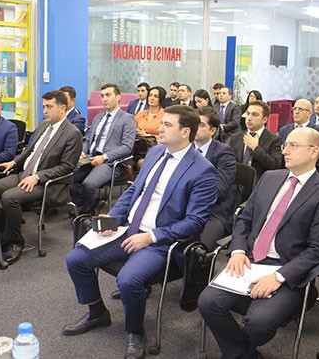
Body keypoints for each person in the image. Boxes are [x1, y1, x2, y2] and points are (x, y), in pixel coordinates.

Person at [63, 105, 218, 359]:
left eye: (167, 125)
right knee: (76, 259)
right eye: (162, 123)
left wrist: (151, 237)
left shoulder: (203, 170)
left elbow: (195, 222)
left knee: (128, 280)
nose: (160, 128)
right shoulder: (156, 152)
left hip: (160, 241)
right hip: (128, 229)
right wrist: (113, 217)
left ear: (185, 132)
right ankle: (97, 312)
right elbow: (135, 190)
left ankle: (135, 332)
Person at [199, 127, 319, 359]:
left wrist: (278, 277)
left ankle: (238, 353)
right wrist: (237, 250)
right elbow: (244, 219)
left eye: (293, 146)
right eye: (285, 145)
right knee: (207, 302)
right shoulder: (270, 178)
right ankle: (243, 355)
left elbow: (318, 250)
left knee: (259, 322)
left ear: (314, 151)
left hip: (286, 269)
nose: (285, 151)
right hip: (250, 260)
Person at [0, 90, 83, 265]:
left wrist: (38, 177)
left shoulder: (72, 133)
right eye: (43, 107)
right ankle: (7, 233)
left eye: (49, 107)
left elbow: (67, 167)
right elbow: (29, 150)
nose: (45, 111)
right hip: (22, 174)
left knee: (9, 198)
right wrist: (14, 162)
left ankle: (14, 242)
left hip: (46, 182)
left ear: (62, 108)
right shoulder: (44, 125)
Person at [71, 84, 136, 214]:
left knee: (89, 184)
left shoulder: (127, 119)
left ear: (118, 97)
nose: (104, 99)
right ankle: (92, 202)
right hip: (90, 158)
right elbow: (89, 140)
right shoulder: (98, 117)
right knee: (68, 179)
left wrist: (104, 157)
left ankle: (86, 212)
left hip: (110, 162)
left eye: (108, 95)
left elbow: (127, 147)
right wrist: (82, 151)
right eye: (102, 96)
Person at [195, 106, 239, 249]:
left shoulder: (224, 153)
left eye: (201, 125)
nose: (195, 127)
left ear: (212, 131)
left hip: (214, 211)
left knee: (197, 249)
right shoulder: (186, 149)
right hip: (187, 206)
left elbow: (217, 190)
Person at [228, 101, 282, 181]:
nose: (249, 118)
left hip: (260, 183)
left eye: (254, 115)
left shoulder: (274, 140)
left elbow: (275, 165)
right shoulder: (235, 138)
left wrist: (256, 148)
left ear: (264, 119)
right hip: (235, 183)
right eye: (248, 113)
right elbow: (227, 162)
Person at [278, 98, 319, 171]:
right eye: (294, 109)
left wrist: (302, 166)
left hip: (308, 170)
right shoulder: (284, 130)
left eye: (300, 109)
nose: (296, 112)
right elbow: (279, 154)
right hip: (286, 170)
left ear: (309, 113)